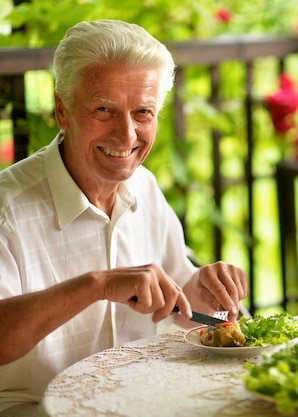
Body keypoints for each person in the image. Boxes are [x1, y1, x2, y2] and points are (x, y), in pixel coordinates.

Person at [0, 20, 248, 414]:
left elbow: (184, 309)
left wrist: (208, 299)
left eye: (143, 112)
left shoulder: (144, 188)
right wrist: (97, 285)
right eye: (104, 109)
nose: (127, 134)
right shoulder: (6, 209)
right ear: (63, 111)